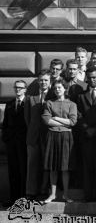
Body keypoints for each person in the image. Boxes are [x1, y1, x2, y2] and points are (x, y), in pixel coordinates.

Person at [42, 80, 77, 203]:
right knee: (53, 167)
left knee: (65, 167)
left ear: (65, 89)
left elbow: (73, 122)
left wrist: (56, 118)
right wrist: (63, 121)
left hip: (66, 137)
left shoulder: (72, 104)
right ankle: (52, 194)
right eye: (55, 88)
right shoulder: (49, 103)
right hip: (52, 135)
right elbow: (47, 121)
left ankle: (66, 195)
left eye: (60, 87)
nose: (57, 90)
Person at [77, 67, 96, 202]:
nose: (92, 80)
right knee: (87, 165)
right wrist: (86, 128)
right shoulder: (81, 96)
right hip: (86, 135)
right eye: (89, 77)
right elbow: (78, 115)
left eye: (94, 77)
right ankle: (88, 195)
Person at [25, 70, 52, 199]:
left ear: (50, 81)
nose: (43, 82)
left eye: (46, 80)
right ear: (38, 81)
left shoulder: (53, 96)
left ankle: (44, 191)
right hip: (33, 136)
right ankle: (31, 192)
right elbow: (27, 119)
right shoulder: (31, 98)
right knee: (32, 165)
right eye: (41, 80)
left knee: (47, 165)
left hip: (49, 135)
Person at [2, 80, 28, 204]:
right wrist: (6, 138)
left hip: (24, 142)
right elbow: (5, 123)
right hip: (12, 142)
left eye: (20, 88)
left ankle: (23, 200)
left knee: (23, 171)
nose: (17, 90)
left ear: (25, 89)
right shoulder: (10, 104)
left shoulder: (28, 103)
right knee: (13, 171)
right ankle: (13, 199)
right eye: (16, 87)